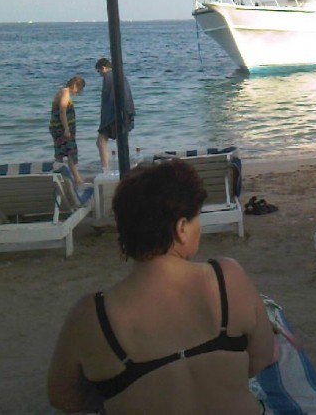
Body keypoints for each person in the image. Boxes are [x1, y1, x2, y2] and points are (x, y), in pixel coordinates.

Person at [47, 159, 275, 414]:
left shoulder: (90, 315)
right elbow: (263, 356)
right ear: (180, 229)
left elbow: (63, 398)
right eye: (197, 217)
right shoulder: (227, 278)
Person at [95, 57, 135, 172]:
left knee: (101, 141)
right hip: (126, 111)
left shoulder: (107, 77)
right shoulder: (122, 75)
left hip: (114, 114)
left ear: (103, 68)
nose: (100, 74)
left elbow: (107, 100)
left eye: (99, 71)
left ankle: (105, 169)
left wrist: (103, 122)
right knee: (121, 141)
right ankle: (125, 167)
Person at [49, 75, 86, 185]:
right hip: (61, 128)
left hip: (57, 128)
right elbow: (62, 111)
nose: (78, 92)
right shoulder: (65, 93)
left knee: (60, 153)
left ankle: (60, 179)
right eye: (79, 89)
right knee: (71, 152)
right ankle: (77, 179)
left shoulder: (62, 92)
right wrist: (66, 129)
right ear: (75, 85)